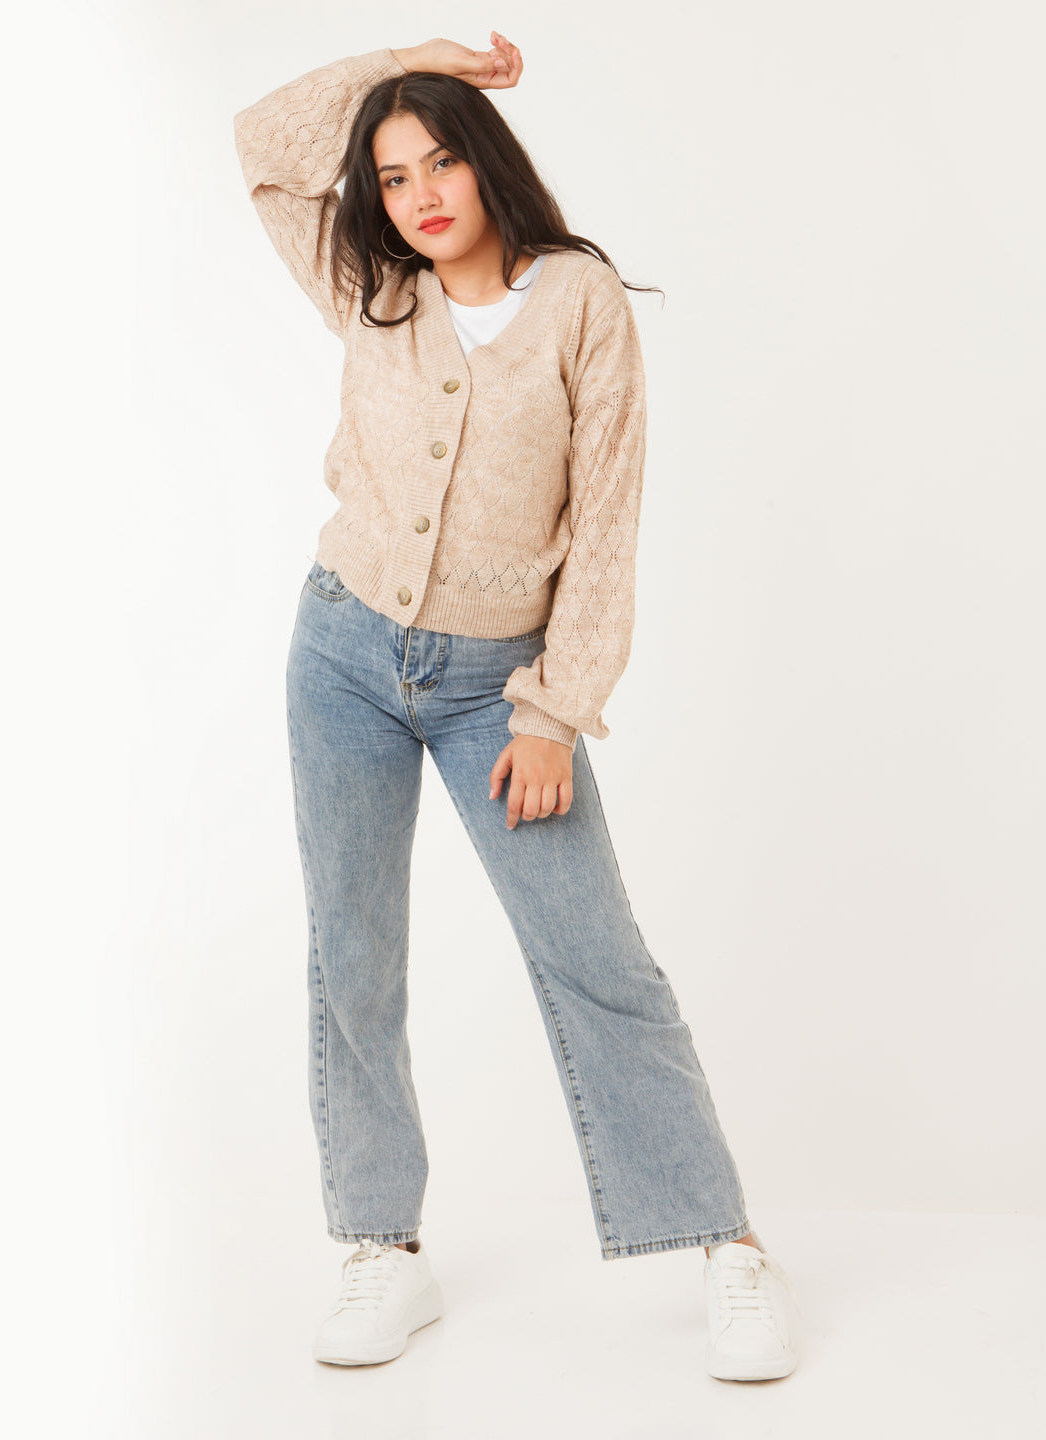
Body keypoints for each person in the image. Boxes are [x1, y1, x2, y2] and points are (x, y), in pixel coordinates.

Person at [233, 30, 802, 1380]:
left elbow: (606, 519)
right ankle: (384, 1246)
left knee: (597, 957)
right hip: (342, 655)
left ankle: (726, 1244)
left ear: (487, 164)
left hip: (501, 687)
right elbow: (263, 145)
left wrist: (552, 711)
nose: (420, 194)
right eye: (392, 174)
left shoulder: (578, 300)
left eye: (440, 162)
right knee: (352, 953)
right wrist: (409, 60)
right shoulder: (371, 287)